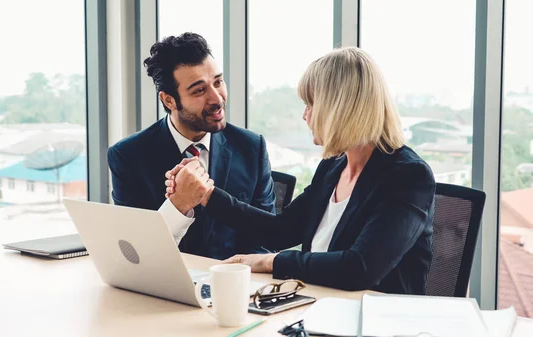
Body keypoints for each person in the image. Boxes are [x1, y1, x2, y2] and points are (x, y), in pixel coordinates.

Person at [164, 47, 436, 295]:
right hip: (321, 306)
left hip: (376, 322)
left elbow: (360, 268)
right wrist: (207, 195)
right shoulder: (334, 166)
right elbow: (280, 231)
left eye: (311, 105)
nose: (305, 115)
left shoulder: (408, 176)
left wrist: (270, 261)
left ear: (339, 109)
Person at [108, 32, 276, 260]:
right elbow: (133, 251)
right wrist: (178, 205)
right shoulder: (127, 156)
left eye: (218, 82)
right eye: (199, 90)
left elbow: (266, 238)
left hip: (233, 284)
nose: (217, 98)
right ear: (169, 100)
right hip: (163, 287)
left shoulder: (251, 147)